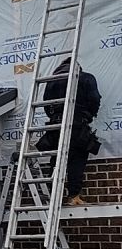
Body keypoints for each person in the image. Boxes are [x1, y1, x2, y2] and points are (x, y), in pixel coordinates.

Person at [36, 59, 101, 205]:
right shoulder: (86, 78)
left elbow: (46, 104)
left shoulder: (51, 81)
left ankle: (53, 196)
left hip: (56, 126)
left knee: (57, 160)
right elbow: (94, 99)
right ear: (78, 68)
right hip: (77, 123)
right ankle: (74, 196)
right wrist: (88, 115)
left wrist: (55, 117)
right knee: (76, 158)